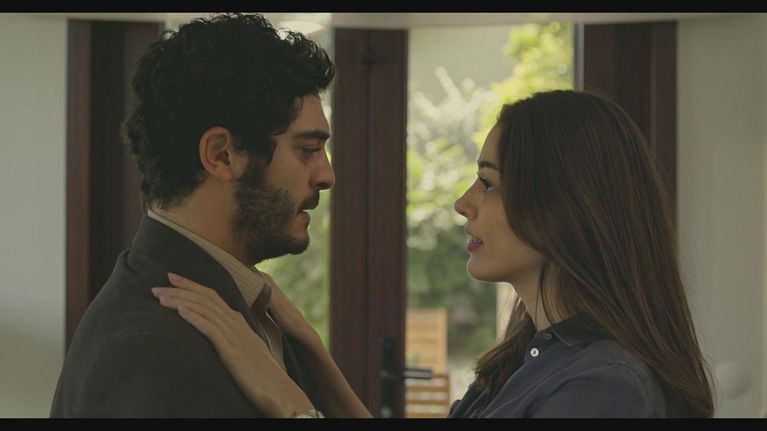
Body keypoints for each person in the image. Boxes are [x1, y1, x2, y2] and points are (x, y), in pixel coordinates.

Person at [151, 90, 715, 417]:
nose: (463, 203)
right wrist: (310, 349)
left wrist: (290, 405)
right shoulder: (528, 359)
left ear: (564, 206)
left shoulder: (601, 386)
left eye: (488, 184)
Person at [49, 12, 348, 417]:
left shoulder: (242, 310)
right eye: (308, 150)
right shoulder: (149, 348)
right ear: (221, 155)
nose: (326, 175)